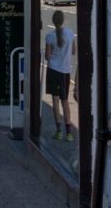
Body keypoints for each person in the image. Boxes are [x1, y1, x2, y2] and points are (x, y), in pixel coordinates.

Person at [45, 9, 76, 141]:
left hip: (53, 70)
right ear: (63, 20)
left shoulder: (49, 36)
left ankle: (59, 131)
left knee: (55, 100)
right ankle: (69, 133)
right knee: (65, 101)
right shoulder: (70, 34)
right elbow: (74, 52)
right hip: (65, 71)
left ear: (53, 21)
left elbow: (47, 57)